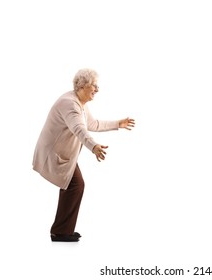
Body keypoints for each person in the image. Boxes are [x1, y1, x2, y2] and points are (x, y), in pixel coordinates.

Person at [32, 68, 135, 242]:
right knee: (75, 185)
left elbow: (92, 124)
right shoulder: (70, 104)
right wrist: (93, 146)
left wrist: (119, 123)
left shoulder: (79, 103)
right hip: (54, 154)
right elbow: (79, 129)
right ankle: (60, 232)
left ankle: (61, 230)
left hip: (64, 155)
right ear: (83, 85)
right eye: (94, 85)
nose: (97, 89)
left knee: (74, 186)